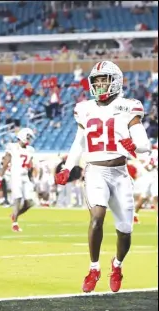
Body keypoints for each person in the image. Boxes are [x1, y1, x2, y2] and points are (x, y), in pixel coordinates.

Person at [55, 61, 151, 293]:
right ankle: (94, 267)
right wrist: (68, 167)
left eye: (104, 80)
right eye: (96, 80)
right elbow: (78, 143)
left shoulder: (129, 106)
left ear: (115, 81)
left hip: (119, 173)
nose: (99, 84)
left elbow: (145, 145)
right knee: (97, 217)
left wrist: (134, 145)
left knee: (125, 229)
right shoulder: (84, 108)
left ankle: (117, 265)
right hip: (95, 170)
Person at [0, 128, 36, 232]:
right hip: (15, 175)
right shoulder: (12, 146)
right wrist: (0, 176)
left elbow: (30, 165)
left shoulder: (31, 149)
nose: (29, 139)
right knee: (18, 198)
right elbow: (6, 161)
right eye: (28, 136)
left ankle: (14, 215)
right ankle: (15, 223)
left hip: (25, 176)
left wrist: (31, 177)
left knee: (31, 202)